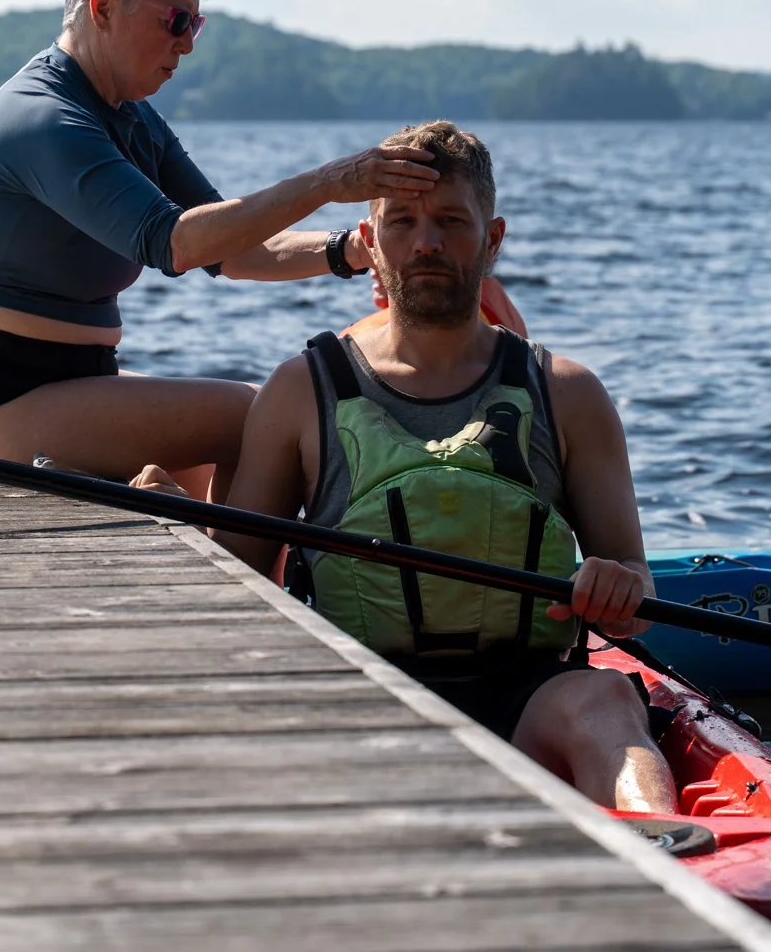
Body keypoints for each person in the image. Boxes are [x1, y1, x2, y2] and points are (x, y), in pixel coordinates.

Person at [135, 120, 675, 813]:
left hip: (531, 695)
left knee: (602, 697)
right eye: (403, 220)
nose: (426, 241)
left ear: (494, 238)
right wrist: (169, 527)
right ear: (369, 239)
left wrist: (617, 586)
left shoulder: (567, 394)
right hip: (365, 690)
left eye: (452, 220)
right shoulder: (301, 391)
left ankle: (662, 844)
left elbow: (635, 586)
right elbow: (242, 588)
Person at [0, 0, 437, 500]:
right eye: (176, 21)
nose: (188, 45)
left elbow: (230, 251)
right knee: (249, 417)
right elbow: (176, 242)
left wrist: (353, 250)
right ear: (103, 7)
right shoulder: (42, 118)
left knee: (202, 470)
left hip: (58, 386)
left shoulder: (131, 117)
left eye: (196, 26)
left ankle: (244, 573)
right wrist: (330, 182)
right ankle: (246, 581)